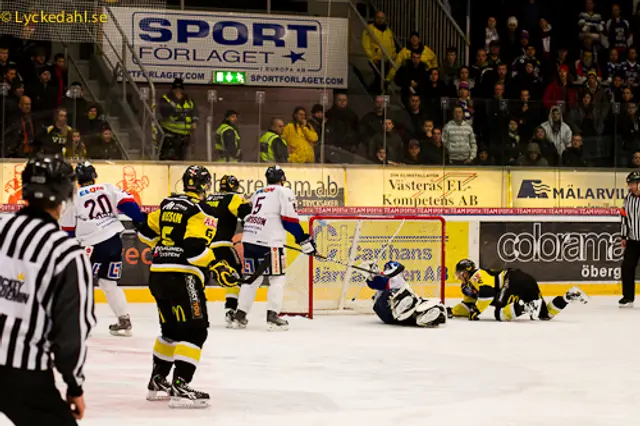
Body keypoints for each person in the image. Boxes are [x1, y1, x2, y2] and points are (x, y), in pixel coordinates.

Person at [0, 154, 96, 425]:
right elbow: (72, 330)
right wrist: (74, 385)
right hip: (24, 372)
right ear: (65, 194)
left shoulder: (2, 229)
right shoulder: (67, 253)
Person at [137, 165, 240, 408]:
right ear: (206, 185)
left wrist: (162, 246)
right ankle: (180, 385)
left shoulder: (168, 204)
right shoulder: (201, 211)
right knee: (195, 331)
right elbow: (194, 251)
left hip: (158, 274)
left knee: (171, 332)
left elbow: (143, 233)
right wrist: (217, 265)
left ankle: (158, 380)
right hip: (183, 276)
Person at [59, 161, 144, 336]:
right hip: (114, 241)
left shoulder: (72, 198)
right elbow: (130, 206)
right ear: (94, 176)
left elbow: (68, 230)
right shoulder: (108, 188)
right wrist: (140, 221)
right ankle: (124, 320)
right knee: (108, 282)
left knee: (80, 283)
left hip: (91, 245)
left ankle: (80, 323)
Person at [234, 166, 317, 330]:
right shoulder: (283, 192)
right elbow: (289, 221)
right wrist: (303, 240)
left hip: (249, 239)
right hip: (270, 243)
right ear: (282, 178)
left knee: (252, 278)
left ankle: (240, 315)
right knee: (277, 278)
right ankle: (273, 316)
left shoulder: (257, 192)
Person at [450, 259, 588, 321]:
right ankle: (568, 297)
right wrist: (451, 311)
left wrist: (477, 311)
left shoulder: (476, 275)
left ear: (466, 272)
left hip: (513, 280)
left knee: (500, 313)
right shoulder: (468, 286)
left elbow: (487, 294)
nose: (459, 277)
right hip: (525, 279)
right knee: (545, 314)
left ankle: (525, 307)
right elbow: (468, 304)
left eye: (460, 273)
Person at [205, 175, 252, 326]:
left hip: (203, 247)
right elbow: (246, 214)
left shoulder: (209, 198)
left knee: (199, 279)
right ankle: (230, 310)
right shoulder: (234, 197)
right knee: (235, 275)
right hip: (222, 245)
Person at [363, 261, 446, 327]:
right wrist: (369, 276)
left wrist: (368, 276)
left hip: (389, 317)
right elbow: (378, 283)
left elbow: (376, 283)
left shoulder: (389, 280)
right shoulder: (393, 280)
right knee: (408, 295)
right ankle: (401, 307)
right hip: (387, 309)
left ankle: (422, 316)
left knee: (416, 310)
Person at [158, 78, 198, 160]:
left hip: (185, 136)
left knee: (182, 158)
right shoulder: (166, 99)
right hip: (170, 135)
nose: (178, 92)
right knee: (168, 158)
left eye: (180, 90)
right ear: (172, 90)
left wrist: (194, 122)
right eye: (176, 89)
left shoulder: (189, 100)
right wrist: (177, 113)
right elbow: (164, 112)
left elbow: (195, 112)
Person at [619, 171, 640, 307]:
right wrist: (623, 236)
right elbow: (624, 218)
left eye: (632, 183)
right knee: (627, 267)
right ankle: (628, 297)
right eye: (629, 184)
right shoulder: (628, 199)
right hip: (633, 239)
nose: (630, 187)